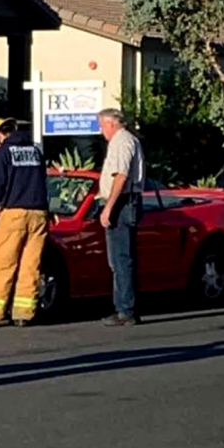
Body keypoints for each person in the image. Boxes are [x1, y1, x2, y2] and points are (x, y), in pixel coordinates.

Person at [0, 117, 49, 328]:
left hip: (13, 213)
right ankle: (24, 313)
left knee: (4, 264)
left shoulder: (3, 153)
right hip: (39, 213)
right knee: (31, 265)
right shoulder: (36, 151)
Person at [98, 108, 145, 327]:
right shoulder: (124, 140)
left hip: (122, 203)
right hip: (125, 201)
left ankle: (126, 309)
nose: (101, 131)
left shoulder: (121, 141)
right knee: (119, 259)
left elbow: (121, 175)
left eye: (101, 125)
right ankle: (124, 307)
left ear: (111, 124)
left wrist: (109, 207)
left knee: (121, 258)